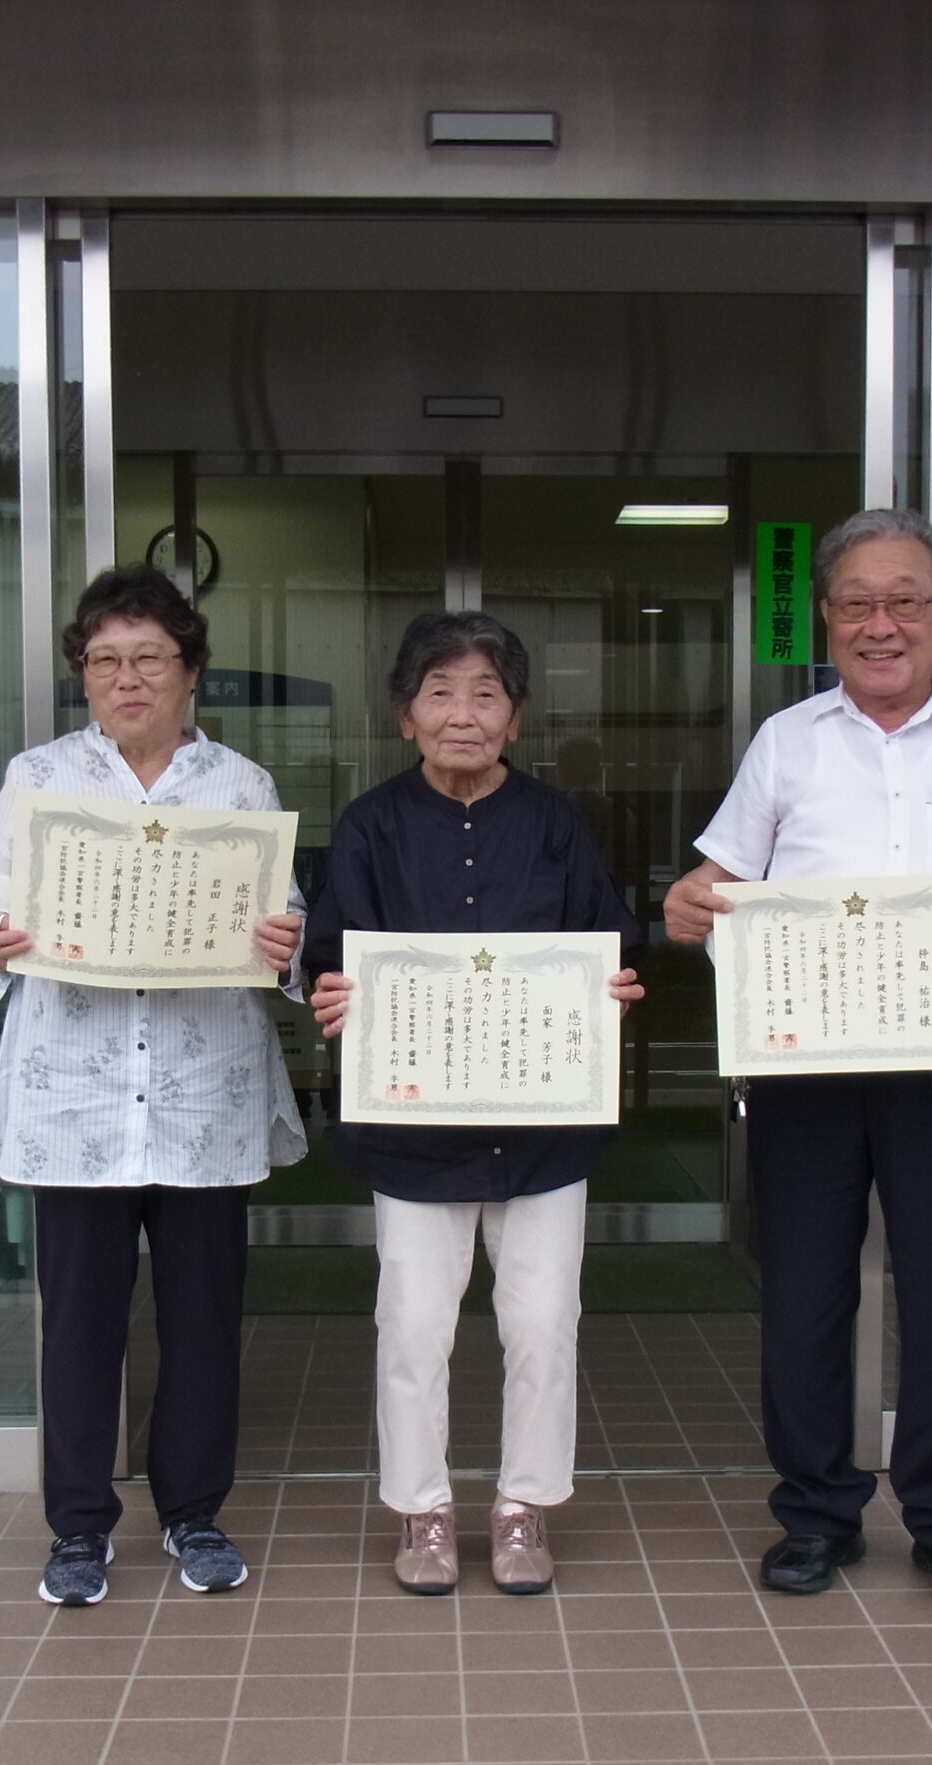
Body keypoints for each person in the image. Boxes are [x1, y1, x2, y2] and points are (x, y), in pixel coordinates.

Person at [662, 508, 932, 1609]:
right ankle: (815, 1513)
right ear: (828, 619)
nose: (879, 625)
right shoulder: (787, 741)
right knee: (802, 1292)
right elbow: (715, 882)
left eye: (902, 602)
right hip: (807, 1060)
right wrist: (688, 902)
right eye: (856, 604)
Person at [0, 564, 307, 1607]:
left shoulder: (240, 785)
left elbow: (285, 916)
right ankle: (78, 1527)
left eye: (150, 657)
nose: (128, 678)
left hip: (203, 1092)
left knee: (203, 1322)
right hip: (76, 1095)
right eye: (105, 660)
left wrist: (286, 942)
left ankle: (194, 1512)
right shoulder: (40, 778)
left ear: (190, 670)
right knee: (80, 1325)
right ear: (84, 676)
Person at [305, 611, 643, 1597]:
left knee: (542, 1324)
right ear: (405, 716)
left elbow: (610, 943)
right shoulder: (369, 825)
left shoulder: (555, 821)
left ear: (515, 717)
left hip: (543, 1129)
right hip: (412, 1127)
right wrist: (330, 992)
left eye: (486, 694)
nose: (464, 714)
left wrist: (618, 985)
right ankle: (423, 1512)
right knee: (413, 1325)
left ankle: (523, 1508)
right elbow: (328, 955)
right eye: (440, 693)